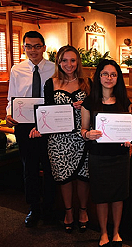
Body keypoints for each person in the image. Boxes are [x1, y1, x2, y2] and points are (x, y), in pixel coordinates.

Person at [29, 45, 91, 233]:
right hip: (58, 140)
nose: (69, 64)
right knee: (63, 178)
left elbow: (97, 107)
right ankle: (69, 212)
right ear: (58, 62)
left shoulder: (87, 82)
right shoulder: (51, 83)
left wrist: (85, 105)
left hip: (82, 136)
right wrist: (38, 126)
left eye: (72, 60)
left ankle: (83, 211)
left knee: (83, 177)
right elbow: (46, 110)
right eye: (64, 60)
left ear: (78, 61)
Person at [6, 31, 56, 227]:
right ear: (24, 47)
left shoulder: (54, 68)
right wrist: (9, 114)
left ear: (44, 47)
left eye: (37, 46)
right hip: (24, 124)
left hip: (48, 123)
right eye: (28, 46)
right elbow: (12, 97)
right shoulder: (16, 70)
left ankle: (49, 209)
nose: (33, 50)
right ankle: (34, 208)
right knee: (30, 169)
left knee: (50, 167)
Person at [81, 59, 132, 247]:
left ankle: (116, 232)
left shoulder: (124, 101)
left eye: (113, 75)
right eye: (105, 74)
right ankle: (103, 233)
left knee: (118, 196)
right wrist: (88, 134)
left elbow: (129, 131)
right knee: (101, 196)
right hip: (98, 155)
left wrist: (129, 140)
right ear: (99, 76)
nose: (109, 78)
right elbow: (83, 130)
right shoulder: (89, 102)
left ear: (118, 78)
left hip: (120, 156)